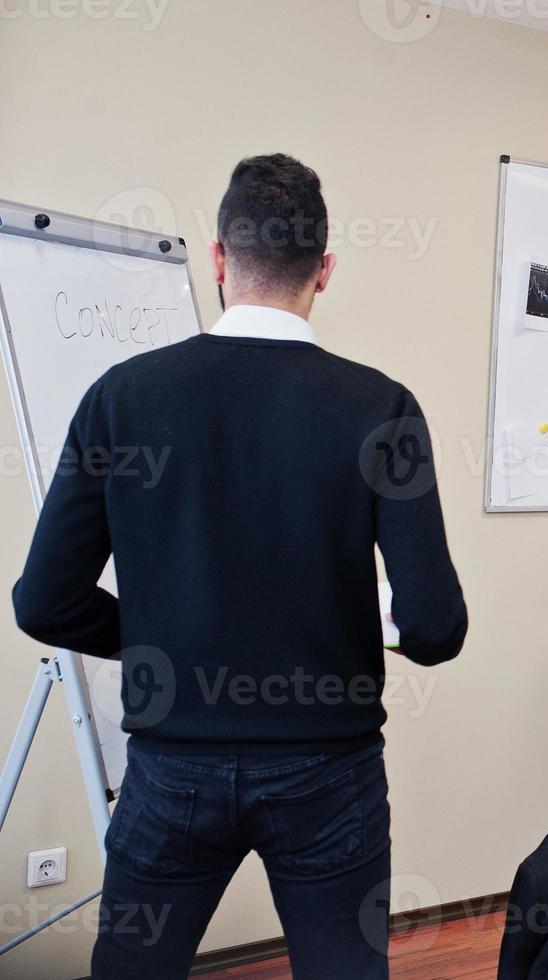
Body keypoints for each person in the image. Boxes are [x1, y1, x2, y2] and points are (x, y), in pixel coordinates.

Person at [11, 154, 469, 979]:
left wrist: (155, 634)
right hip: (329, 770)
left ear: (218, 257)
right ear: (324, 271)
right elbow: (436, 628)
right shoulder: (380, 406)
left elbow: (45, 600)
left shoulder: (123, 396)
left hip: (169, 764)